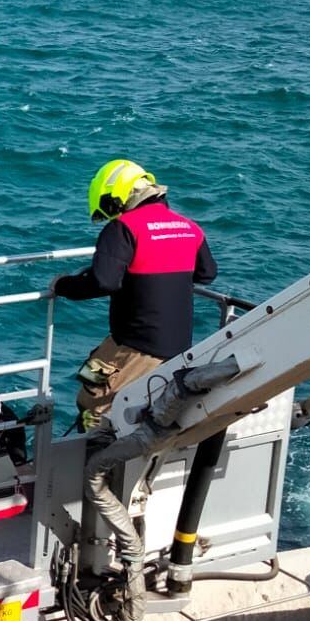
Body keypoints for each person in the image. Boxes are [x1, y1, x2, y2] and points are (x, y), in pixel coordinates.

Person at [52, 157, 216, 432]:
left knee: (92, 404)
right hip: (179, 348)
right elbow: (206, 273)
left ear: (118, 196)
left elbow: (103, 281)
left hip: (135, 347)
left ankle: (97, 468)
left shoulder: (123, 229)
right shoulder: (188, 226)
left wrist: (63, 285)